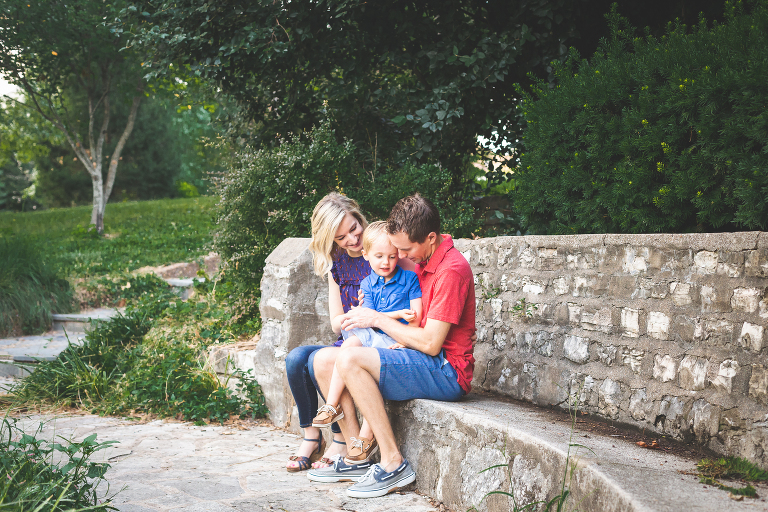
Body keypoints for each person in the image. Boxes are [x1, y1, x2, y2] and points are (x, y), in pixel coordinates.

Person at [308, 194, 476, 498]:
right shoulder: (426, 258)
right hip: (413, 352)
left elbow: (431, 343)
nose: (399, 255)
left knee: (350, 361)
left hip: (446, 370)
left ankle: (393, 462)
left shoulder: (450, 270)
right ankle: (356, 456)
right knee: (323, 361)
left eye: (405, 249)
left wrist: (377, 319)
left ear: (431, 238)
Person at [284, 192, 374, 472]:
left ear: (359, 219)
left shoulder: (379, 251)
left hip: (373, 341)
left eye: (354, 228)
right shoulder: (338, 262)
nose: (352, 240)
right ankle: (312, 436)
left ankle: (339, 439)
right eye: (341, 238)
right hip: (347, 335)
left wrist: (370, 310)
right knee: (296, 358)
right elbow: (336, 322)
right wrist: (352, 316)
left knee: (317, 361)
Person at [311, 221, 423, 436]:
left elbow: (414, 317)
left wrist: (404, 335)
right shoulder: (367, 284)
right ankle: (331, 405)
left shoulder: (409, 279)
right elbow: (368, 318)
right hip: (374, 333)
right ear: (366, 255)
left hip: (394, 337)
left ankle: (366, 438)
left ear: (398, 254)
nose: (386, 262)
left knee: (370, 363)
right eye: (379, 256)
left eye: (391, 256)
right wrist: (396, 314)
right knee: (351, 343)